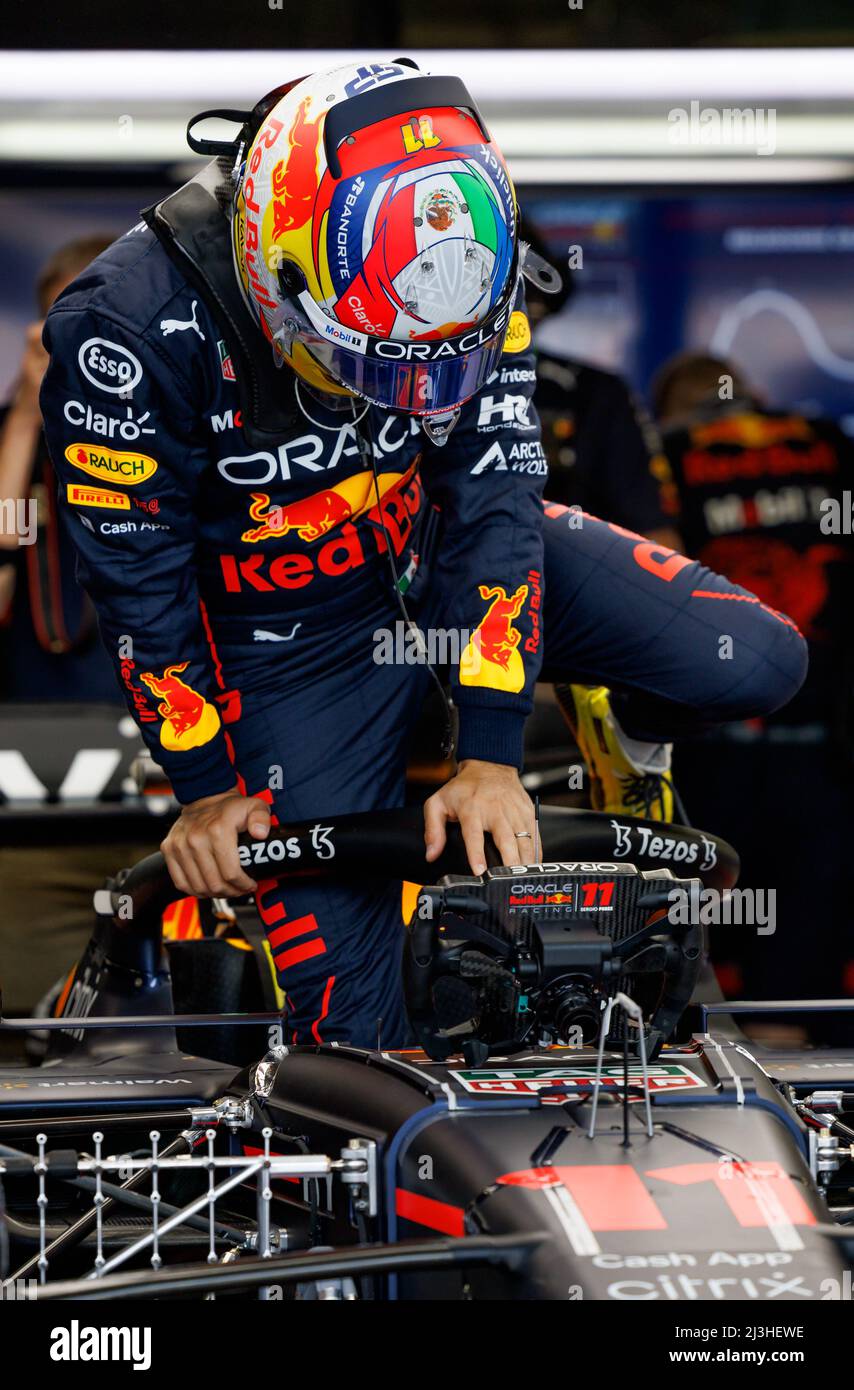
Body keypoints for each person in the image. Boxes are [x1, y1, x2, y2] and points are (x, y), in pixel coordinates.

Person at [40, 62, 807, 1047]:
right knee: (356, 1040)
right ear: (275, 261)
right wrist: (206, 793)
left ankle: (598, 728)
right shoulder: (123, 325)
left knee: (757, 659)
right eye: (367, 364)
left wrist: (491, 751)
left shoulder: (476, 278)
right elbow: (137, 583)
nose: (404, 397)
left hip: (438, 557)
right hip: (286, 643)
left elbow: (492, 503)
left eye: (432, 371)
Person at [654, 351, 854, 1021]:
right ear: (757, 393)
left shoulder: (667, 453)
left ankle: (713, 1040)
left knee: (709, 898)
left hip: (715, 728)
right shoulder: (823, 441)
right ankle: (798, 1043)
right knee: (810, 913)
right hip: (826, 733)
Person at [0, 235, 119, 701]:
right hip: (35, 706)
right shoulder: (21, 443)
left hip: (162, 699)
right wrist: (26, 421)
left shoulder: (174, 426)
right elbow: (9, 537)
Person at [520, 218, 681, 550]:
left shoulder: (593, 393)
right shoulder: (414, 391)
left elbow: (658, 540)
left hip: (563, 587)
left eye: (528, 309)